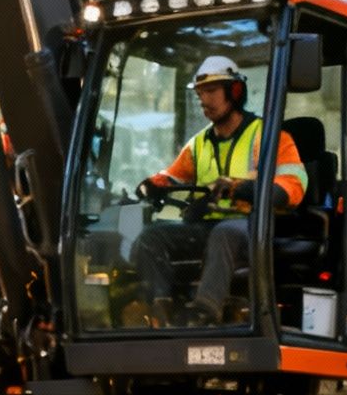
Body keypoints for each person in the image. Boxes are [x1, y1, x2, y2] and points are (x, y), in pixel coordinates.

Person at [132, 55, 308, 324]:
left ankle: (205, 309)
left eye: (211, 92)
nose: (204, 101)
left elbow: (293, 186)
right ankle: (161, 308)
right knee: (151, 237)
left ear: (235, 91)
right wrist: (153, 185)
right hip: (210, 229)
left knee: (225, 233)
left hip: (255, 229)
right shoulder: (199, 143)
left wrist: (243, 188)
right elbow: (172, 176)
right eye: (200, 94)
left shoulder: (270, 136)